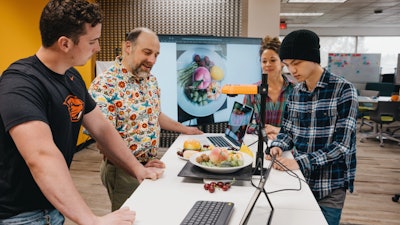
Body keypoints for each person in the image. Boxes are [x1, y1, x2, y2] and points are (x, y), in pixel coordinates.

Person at [0, 1, 164, 224]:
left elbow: (102, 128)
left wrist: (137, 169)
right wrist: (91, 219)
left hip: (54, 206)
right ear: (65, 44)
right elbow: (41, 156)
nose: (97, 48)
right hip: (18, 215)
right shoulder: (20, 84)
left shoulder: (72, 78)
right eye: (93, 41)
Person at [88, 27, 204, 211]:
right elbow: (103, 142)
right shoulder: (105, 84)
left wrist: (186, 130)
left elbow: (155, 115)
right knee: (129, 219)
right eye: (147, 52)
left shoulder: (150, 80)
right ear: (128, 47)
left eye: (156, 55)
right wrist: (136, 168)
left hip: (147, 164)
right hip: (122, 171)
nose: (152, 60)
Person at [268, 29, 358, 225]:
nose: (292, 70)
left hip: (329, 186)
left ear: (313, 58)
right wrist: (277, 146)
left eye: (297, 63)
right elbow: (288, 131)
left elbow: (341, 146)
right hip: (299, 181)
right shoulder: (296, 91)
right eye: (287, 65)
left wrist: (299, 162)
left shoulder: (344, 90)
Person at [243, 35, 295, 140]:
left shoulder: (295, 90)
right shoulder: (252, 91)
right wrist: (263, 130)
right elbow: (244, 125)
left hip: (287, 147)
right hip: (259, 145)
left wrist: (277, 130)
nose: (267, 64)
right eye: (264, 61)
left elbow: (300, 127)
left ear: (282, 63)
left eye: (273, 60)